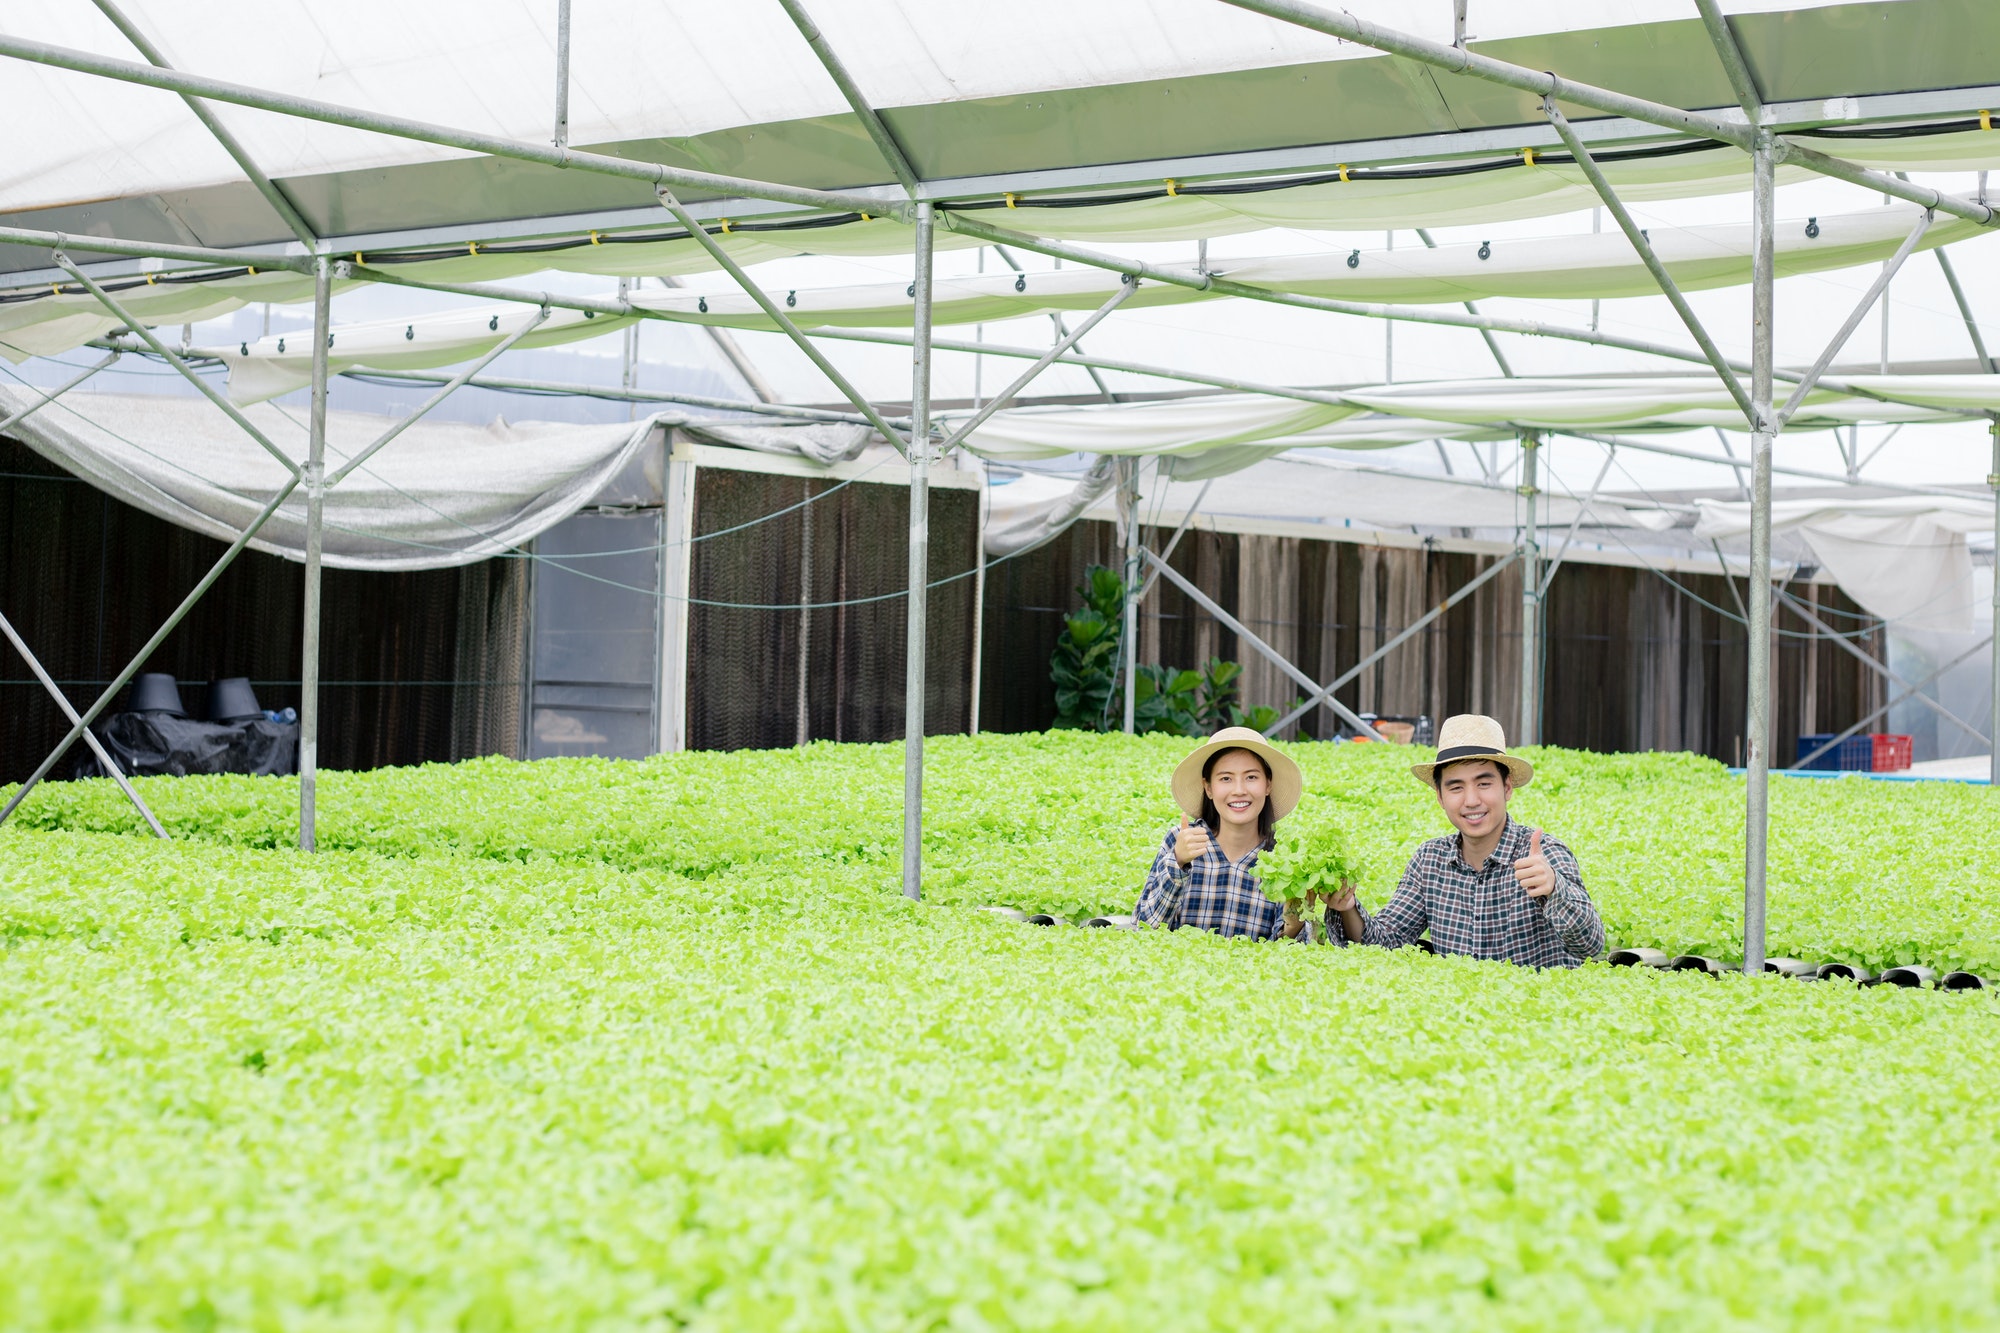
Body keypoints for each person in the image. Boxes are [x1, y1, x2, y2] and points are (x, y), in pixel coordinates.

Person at [1353, 714, 1604, 967]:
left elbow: (1591, 946)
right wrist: (1347, 905)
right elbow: (1386, 941)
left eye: (1484, 783)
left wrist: (1553, 889)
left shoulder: (1544, 854)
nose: (1471, 800)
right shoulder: (1429, 860)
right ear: (1440, 797)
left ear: (1507, 788)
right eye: (1456, 788)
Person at [1132, 726, 1355, 942]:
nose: (1239, 790)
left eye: (1251, 777)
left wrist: (1293, 923)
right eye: (1225, 779)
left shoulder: (1283, 856)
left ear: (1268, 785)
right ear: (1208, 788)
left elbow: (1293, 955)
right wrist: (1178, 862)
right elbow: (1144, 928)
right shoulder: (1181, 840)